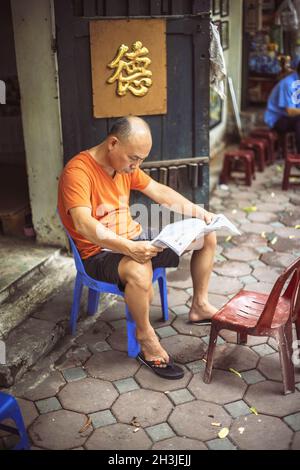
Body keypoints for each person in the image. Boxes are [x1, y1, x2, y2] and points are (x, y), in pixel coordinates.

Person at [58, 116, 217, 380]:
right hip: (99, 253)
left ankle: (199, 305)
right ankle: (145, 337)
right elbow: (83, 225)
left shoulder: (124, 167)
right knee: (139, 272)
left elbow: (159, 191)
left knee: (205, 236)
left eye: (141, 160)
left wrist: (199, 212)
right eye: (134, 158)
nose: (136, 166)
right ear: (113, 143)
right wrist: (130, 248)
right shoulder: (78, 172)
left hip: (135, 239)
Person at [264, 57, 300, 153]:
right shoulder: (288, 84)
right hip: (277, 119)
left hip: (293, 117)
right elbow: (290, 111)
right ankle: (298, 158)